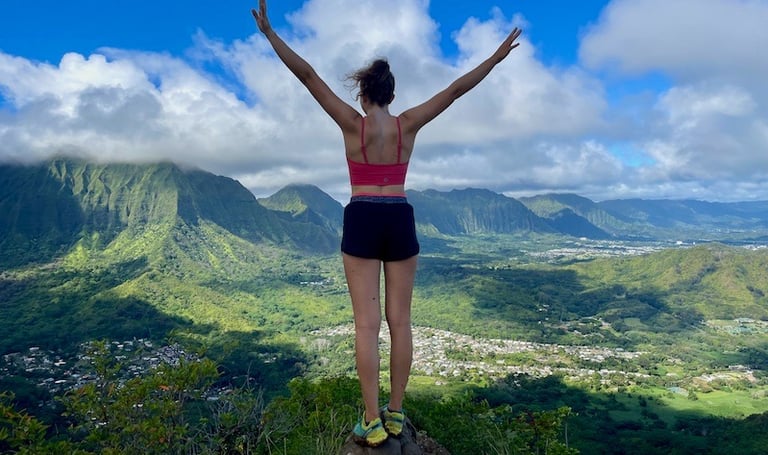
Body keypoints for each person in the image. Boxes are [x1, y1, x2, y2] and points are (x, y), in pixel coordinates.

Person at [252, 0, 522, 447]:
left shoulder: (351, 125)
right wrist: (494, 59)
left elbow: (307, 76)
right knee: (401, 322)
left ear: (363, 93)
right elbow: (455, 91)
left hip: (361, 216)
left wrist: (269, 34)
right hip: (399, 215)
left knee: (366, 325)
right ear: (392, 95)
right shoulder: (407, 125)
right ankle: (396, 414)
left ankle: (372, 421)